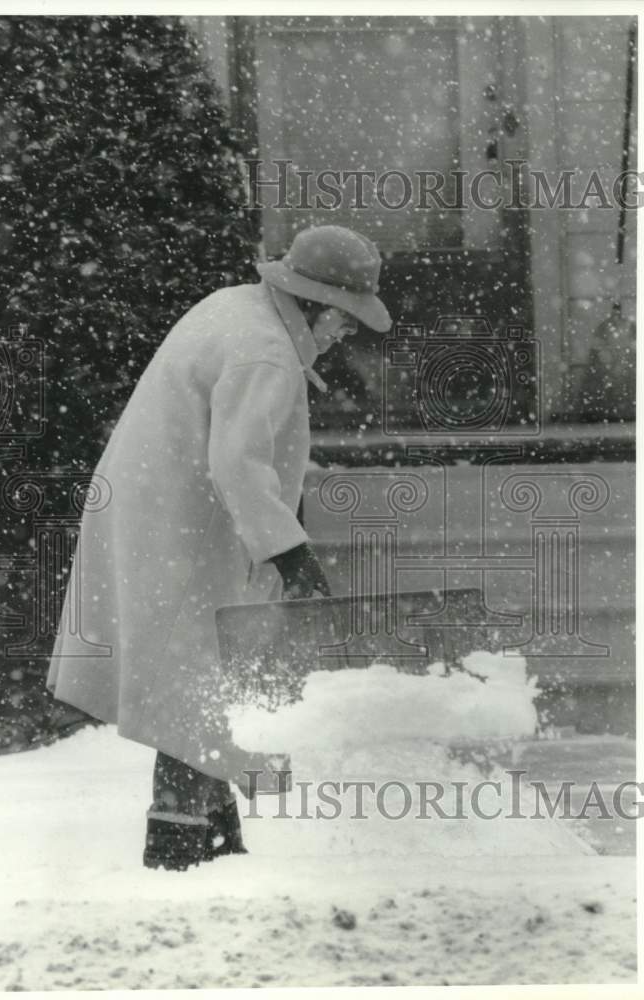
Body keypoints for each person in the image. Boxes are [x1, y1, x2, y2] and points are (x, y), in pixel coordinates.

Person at [47, 224, 392, 871]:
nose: (343, 335)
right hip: (177, 529)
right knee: (184, 689)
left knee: (190, 687)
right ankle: (181, 855)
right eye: (344, 320)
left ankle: (217, 846)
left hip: (158, 516)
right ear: (316, 304)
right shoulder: (264, 350)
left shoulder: (234, 306)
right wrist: (292, 559)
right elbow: (238, 464)